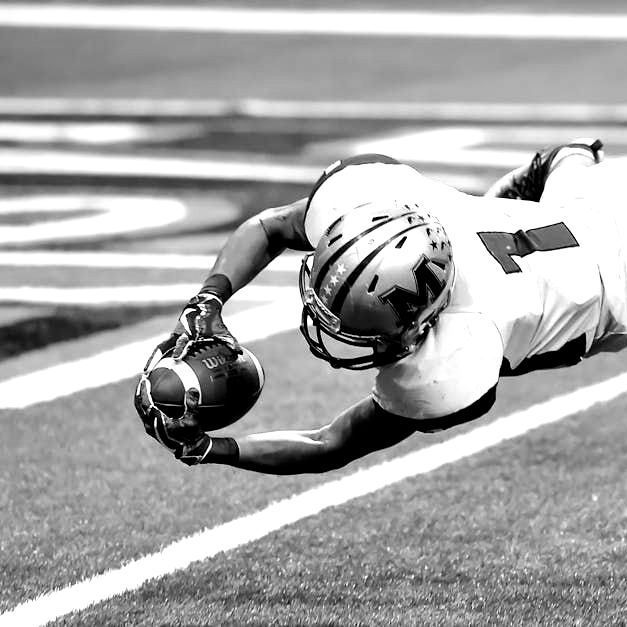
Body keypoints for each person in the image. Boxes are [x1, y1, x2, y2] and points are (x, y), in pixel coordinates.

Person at [135, 138, 625, 474]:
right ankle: (565, 161)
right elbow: (272, 228)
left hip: (614, 283)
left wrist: (212, 450)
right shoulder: (375, 201)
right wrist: (207, 300)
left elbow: (333, 442)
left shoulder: (457, 357)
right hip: (584, 207)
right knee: (567, 165)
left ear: (426, 319)